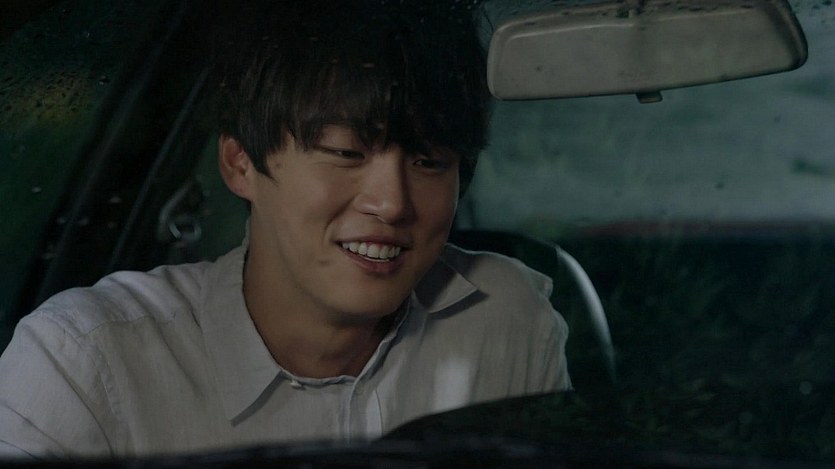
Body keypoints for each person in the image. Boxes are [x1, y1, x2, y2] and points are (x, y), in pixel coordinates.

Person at [0, 0, 570, 458]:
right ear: (240, 164)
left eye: (429, 161)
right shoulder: (83, 365)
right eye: (346, 152)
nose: (392, 203)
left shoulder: (506, 322)